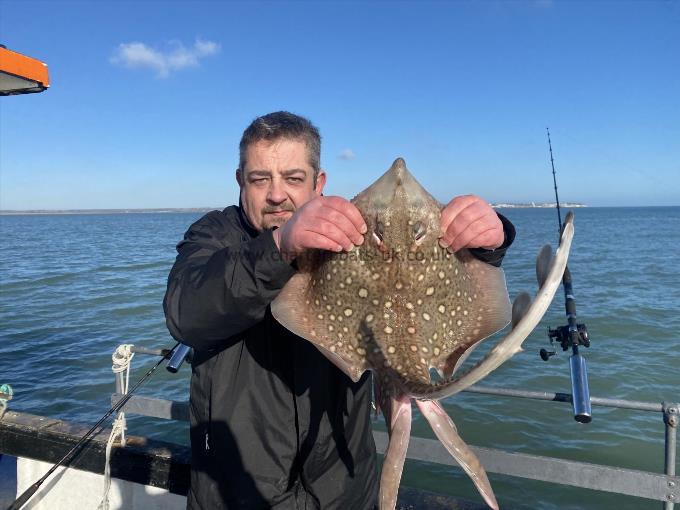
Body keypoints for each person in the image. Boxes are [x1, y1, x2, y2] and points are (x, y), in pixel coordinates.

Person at [163, 111, 515, 510]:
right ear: (240, 180)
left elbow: (423, 277)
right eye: (261, 178)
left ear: (319, 183)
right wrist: (280, 247)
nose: (277, 194)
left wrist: (488, 240)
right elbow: (186, 313)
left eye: (293, 178)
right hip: (238, 492)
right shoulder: (214, 235)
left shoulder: (351, 234)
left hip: (343, 487)